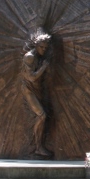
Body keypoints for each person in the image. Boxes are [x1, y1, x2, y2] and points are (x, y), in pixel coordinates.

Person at [21, 30, 53, 158]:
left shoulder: (41, 56)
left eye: (45, 47)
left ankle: (38, 144)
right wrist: (44, 67)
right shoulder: (29, 57)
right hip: (28, 90)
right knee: (42, 116)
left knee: (45, 116)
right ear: (36, 45)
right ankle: (38, 147)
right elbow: (31, 77)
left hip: (38, 90)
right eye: (41, 47)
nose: (43, 49)